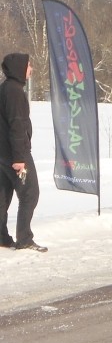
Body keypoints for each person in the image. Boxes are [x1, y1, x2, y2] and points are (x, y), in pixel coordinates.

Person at [0, 53, 46, 252]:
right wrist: (19, 158)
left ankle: (2, 237)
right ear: (19, 68)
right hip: (16, 154)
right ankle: (24, 238)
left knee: (3, 195)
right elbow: (17, 125)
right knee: (30, 193)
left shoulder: (4, 88)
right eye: (29, 65)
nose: (31, 69)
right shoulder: (15, 92)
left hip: (3, 153)